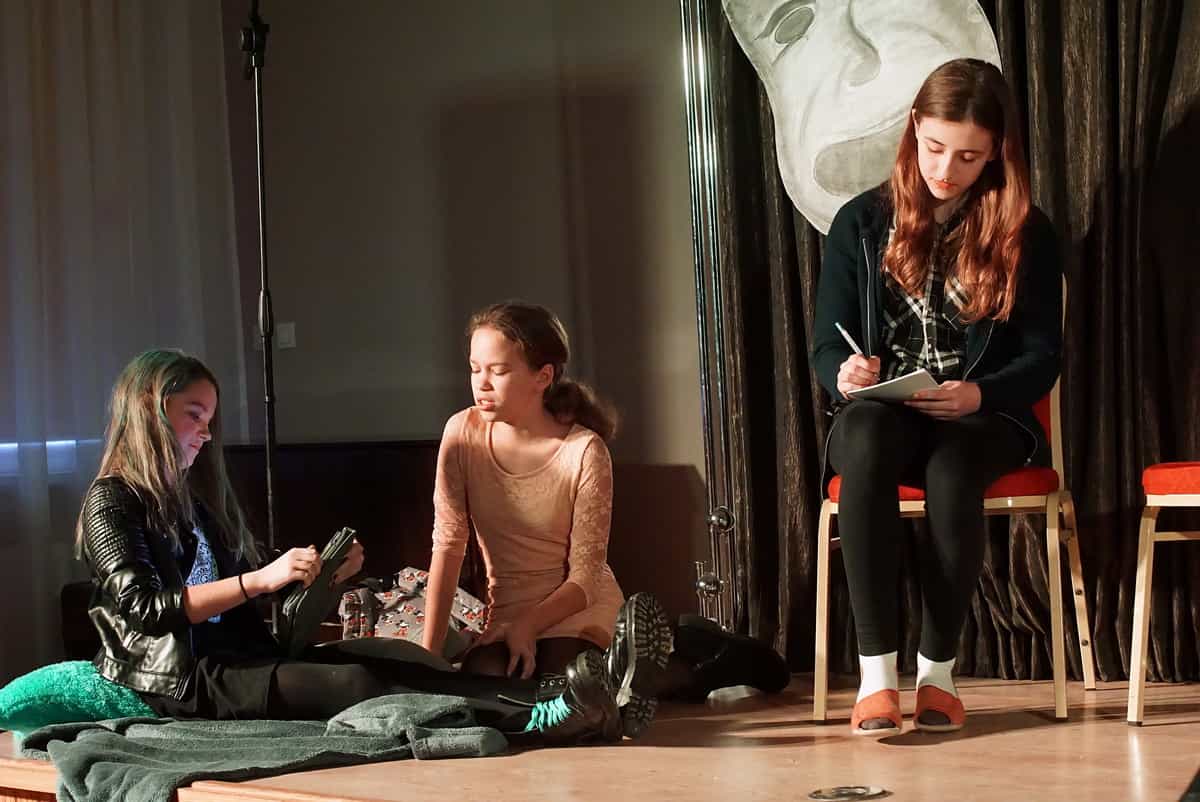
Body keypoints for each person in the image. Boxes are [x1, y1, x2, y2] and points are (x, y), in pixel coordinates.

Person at [76, 348, 664, 744]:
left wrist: (320, 578)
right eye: (194, 415)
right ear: (150, 410)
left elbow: (251, 599)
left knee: (391, 661)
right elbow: (148, 610)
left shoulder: (193, 503)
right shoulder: (111, 501)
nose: (206, 432)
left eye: (208, 418)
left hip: (240, 659)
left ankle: (566, 702)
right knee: (358, 687)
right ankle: (545, 716)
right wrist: (262, 578)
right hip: (183, 680)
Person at [810, 59, 1062, 735]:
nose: (946, 170)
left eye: (969, 157)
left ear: (997, 151)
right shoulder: (861, 222)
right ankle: (876, 680)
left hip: (980, 417)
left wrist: (979, 394)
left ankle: (938, 676)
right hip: (886, 413)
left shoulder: (1026, 231)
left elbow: (1043, 357)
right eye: (935, 148)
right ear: (914, 128)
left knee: (953, 469)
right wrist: (845, 373)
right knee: (865, 433)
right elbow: (827, 344)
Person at [422, 302, 790, 736]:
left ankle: (715, 659)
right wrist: (428, 660)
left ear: (543, 376)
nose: (481, 383)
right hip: (508, 612)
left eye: (498, 371)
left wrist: (529, 626)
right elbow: (448, 543)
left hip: (576, 609)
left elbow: (585, 577)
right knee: (486, 682)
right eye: (474, 368)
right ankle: (650, 664)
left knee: (571, 686)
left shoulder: (584, 451)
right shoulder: (461, 434)